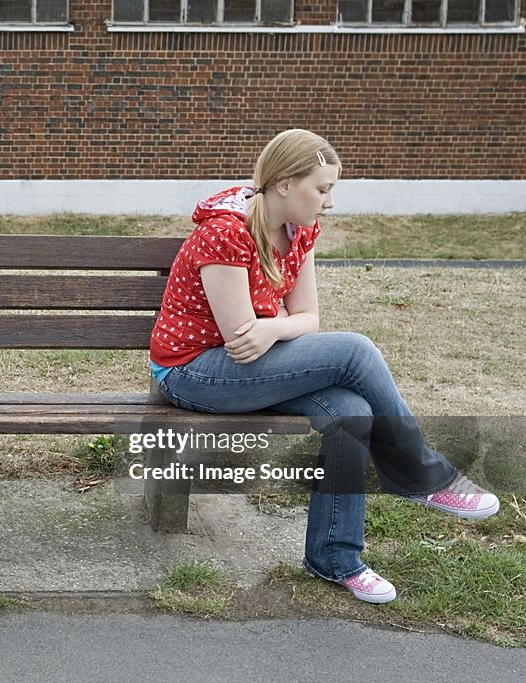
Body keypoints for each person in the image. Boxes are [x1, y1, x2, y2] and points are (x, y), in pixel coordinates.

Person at [150, 129, 499, 604]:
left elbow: (306, 321)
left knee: (350, 410)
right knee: (355, 351)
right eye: (322, 188)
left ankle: (335, 559)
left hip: (257, 360)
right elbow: (239, 341)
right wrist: (277, 327)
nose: (329, 202)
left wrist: (274, 329)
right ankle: (423, 475)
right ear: (283, 184)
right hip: (194, 373)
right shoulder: (226, 233)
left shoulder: (301, 231)